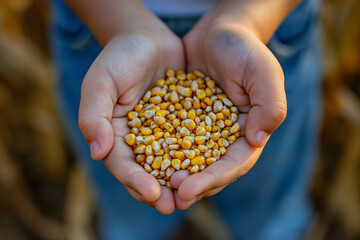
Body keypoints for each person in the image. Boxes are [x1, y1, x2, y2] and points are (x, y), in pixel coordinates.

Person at [49, 0, 322, 239]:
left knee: (268, 199)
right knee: (131, 207)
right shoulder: (158, 120)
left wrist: (247, 18)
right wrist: (119, 21)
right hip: (99, 21)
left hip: (267, 19)